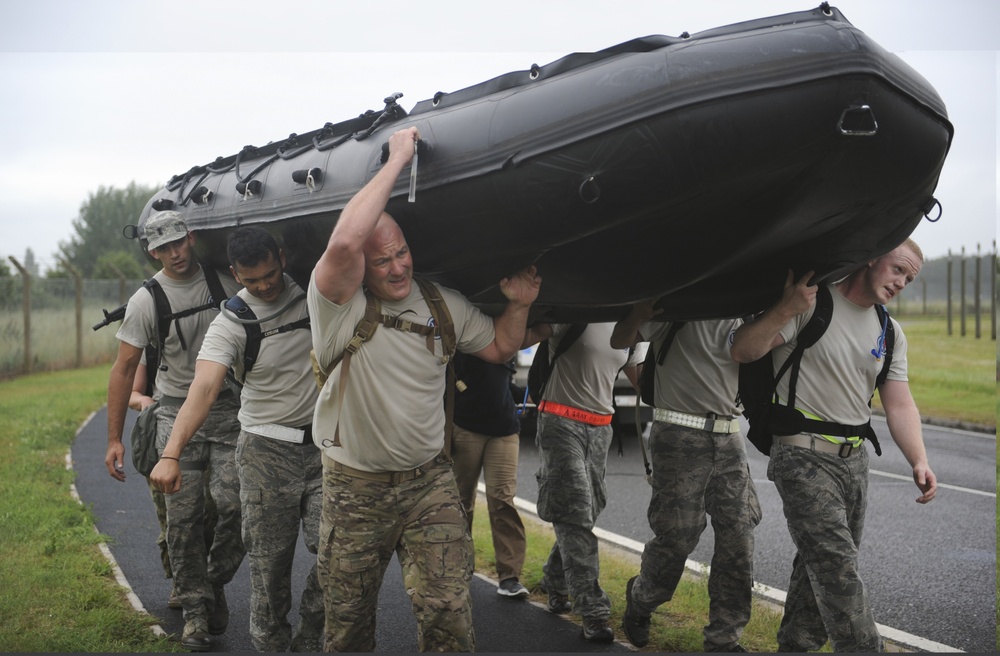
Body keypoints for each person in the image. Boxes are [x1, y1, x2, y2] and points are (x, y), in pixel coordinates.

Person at [307, 125, 541, 652]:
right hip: (355, 490)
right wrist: (398, 158)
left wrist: (520, 304)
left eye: (403, 252)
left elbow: (501, 348)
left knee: (450, 614)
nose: (398, 267)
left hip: (428, 483)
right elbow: (345, 241)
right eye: (383, 259)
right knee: (347, 626)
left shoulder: (441, 303)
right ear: (362, 268)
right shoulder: (336, 307)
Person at [729, 238, 937, 653]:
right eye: (898, 269)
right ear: (873, 256)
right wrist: (786, 308)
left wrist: (919, 459)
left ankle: (795, 647)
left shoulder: (889, 331)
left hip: (854, 463)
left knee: (819, 569)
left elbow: (898, 402)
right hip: (802, 456)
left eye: (910, 278)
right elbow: (743, 349)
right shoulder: (810, 303)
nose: (901, 282)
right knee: (838, 571)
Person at [150, 226, 325, 652]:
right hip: (265, 450)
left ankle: (311, 630)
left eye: (269, 274)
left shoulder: (315, 295)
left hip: (326, 449)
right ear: (235, 273)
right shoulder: (231, 321)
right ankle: (271, 643)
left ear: (281, 258)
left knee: (339, 555)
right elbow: (204, 389)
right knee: (269, 569)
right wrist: (170, 453)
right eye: (251, 280)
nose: (264, 286)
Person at [105, 211, 243, 652]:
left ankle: (213, 583)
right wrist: (113, 439)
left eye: (179, 242)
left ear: (192, 237)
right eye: (163, 248)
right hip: (172, 414)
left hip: (228, 412)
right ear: (151, 251)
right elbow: (124, 368)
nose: (174, 254)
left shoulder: (225, 284)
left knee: (236, 507)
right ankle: (197, 614)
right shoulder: (148, 300)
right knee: (181, 523)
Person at [610, 311, 761, 652]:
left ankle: (724, 638)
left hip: (729, 438)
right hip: (678, 434)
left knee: (739, 538)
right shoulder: (682, 304)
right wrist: (641, 309)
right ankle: (642, 598)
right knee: (678, 536)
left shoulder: (750, 309)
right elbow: (620, 340)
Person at [525, 321, 639, 643]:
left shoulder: (633, 322)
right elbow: (524, 336)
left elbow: (647, 384)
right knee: (576, 511)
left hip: (601, 429)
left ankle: (555, 578)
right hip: (560, 423)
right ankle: (593, 611)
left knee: (587, 511)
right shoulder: (574, 313)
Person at [450, 351, 530, 599]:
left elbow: (500, 380)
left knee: (502, 501)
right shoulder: (464, 335)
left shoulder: (508, 339)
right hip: (464, 426)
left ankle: (509, 577)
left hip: (504, 429)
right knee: (460, 503)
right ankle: (456, 571)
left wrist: (523, 395)